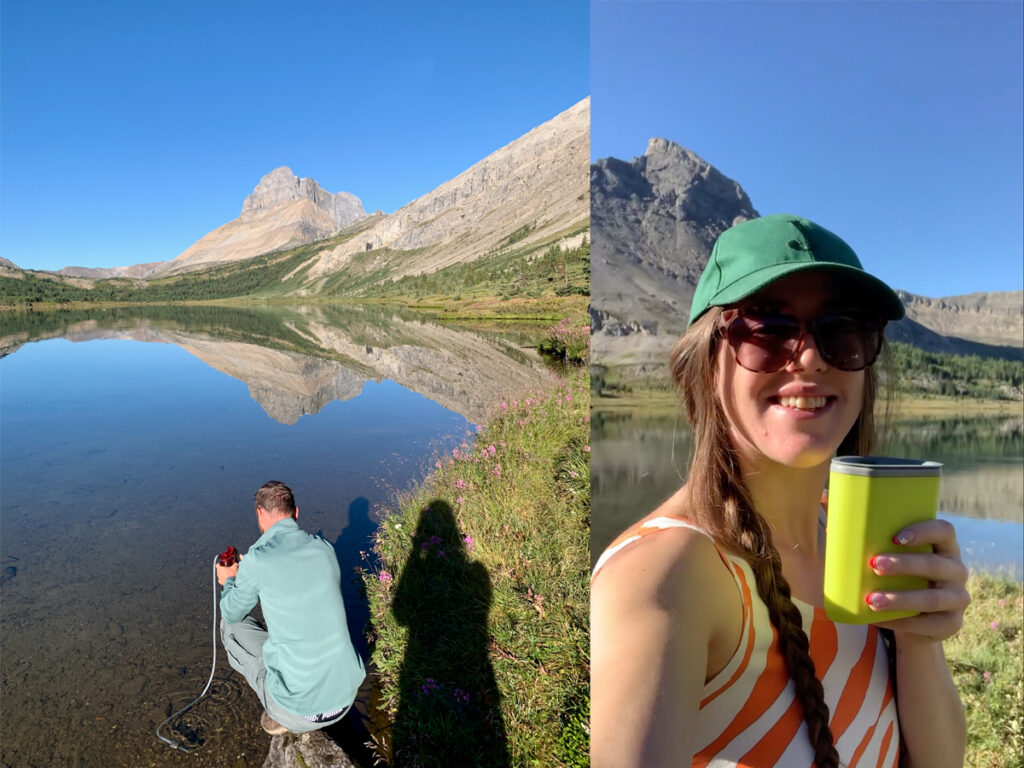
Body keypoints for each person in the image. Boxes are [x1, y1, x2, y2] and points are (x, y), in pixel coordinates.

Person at [591, 215, 969, 768]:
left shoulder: (855, 542)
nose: (811, 357)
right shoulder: (665, 572)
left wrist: (918, 640)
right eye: (767, 328)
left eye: (842, 330)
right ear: (704, 361)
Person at [217, 480, 366, 735]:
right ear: (296, 514)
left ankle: (280, 713)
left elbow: (232, 611)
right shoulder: (325, 548)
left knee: (229, 626)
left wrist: (229, 580)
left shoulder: (258, 559)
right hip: (345, 699)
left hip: (302, 713)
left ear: (260, 513)